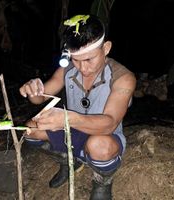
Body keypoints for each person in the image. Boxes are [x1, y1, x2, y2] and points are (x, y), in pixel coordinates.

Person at [19, 14, 136, 200]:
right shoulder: (67, 69)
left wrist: (66, 118)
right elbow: (40, 98)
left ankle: (102, 181)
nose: (82, 68)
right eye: (75, 59)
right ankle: (69, 161)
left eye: (89, 59)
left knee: (99, 145)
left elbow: (109, 124)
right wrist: (33, 90)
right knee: (30, 130)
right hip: (71, 130)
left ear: (106, 48)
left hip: (104, 134)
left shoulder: (123, 77)